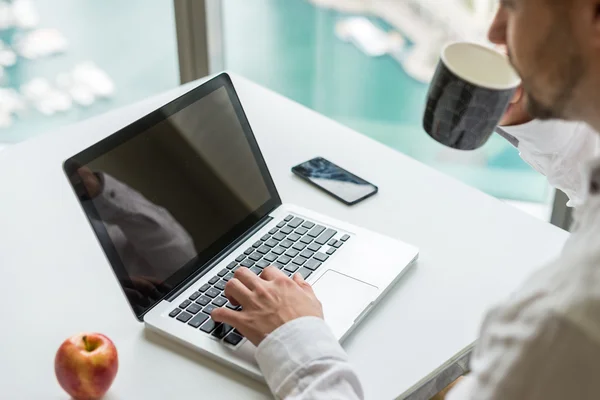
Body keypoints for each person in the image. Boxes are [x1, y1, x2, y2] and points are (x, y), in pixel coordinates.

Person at [209, 0, 600, 398]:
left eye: (515, 7)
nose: (497, 31)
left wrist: (294, 338)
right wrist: (530, 113)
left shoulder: (572, 322)